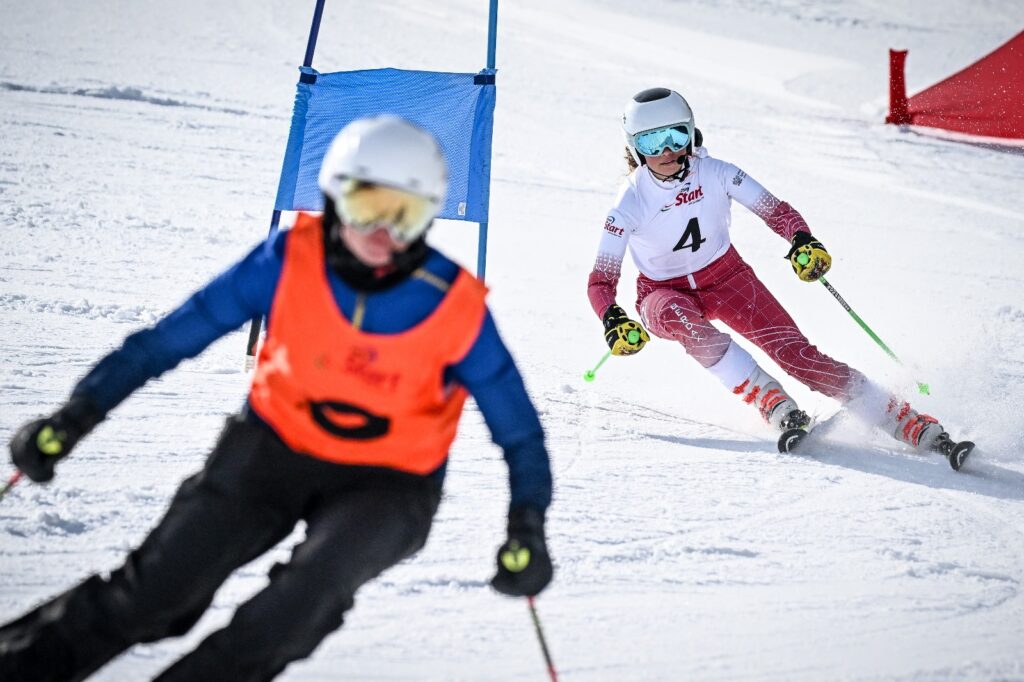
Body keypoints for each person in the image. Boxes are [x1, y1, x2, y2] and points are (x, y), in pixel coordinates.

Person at [1, 115, 554, 681]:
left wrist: (527, 524)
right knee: (157, 592)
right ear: (337, 197)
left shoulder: (454, 307)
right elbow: (167, 342)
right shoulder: (290, 259)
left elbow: (520, 432)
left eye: (405, 215)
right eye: (369, 205)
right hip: (272, 449)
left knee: (298, 605)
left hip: (389, 484)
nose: (383, 234)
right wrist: (77, 414)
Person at [588, 87, 965, 459]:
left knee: (799, 358)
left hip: (728, 279)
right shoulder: (630, 200)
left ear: (692, 132)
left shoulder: (717, 173)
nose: (668, 151)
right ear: (635, 148)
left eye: (676, 135)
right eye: (653, 143)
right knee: (686, 322)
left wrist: (801, 239)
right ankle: (774, 403)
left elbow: (775, 210)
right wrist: (612, 317)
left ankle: (906, 420)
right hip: (661, 294)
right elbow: (601, 280)